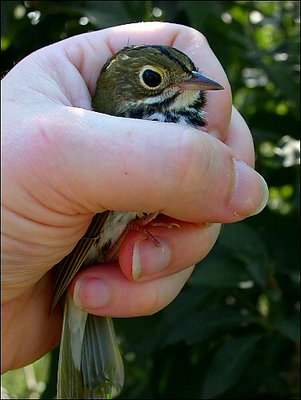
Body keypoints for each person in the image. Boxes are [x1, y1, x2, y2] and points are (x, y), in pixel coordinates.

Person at [1, 22, 268, 374]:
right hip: (82, 259)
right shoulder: (120, 132)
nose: (191, 85)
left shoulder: (158, 128)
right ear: (125, 92)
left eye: (189, 76)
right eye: (154, 79)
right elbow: (93, 226)